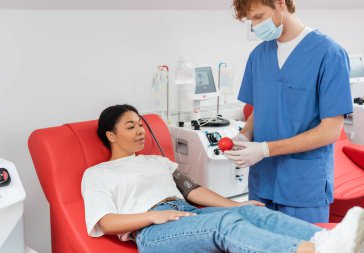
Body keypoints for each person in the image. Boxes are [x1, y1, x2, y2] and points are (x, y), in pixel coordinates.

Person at [81, 104, 364, 253]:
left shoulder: (157, 161)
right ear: (111, 135)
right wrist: (151, 217)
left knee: (255, 214)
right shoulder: (97, 174)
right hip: (152, 233)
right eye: (131, 126)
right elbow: (105, 222)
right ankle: (307, 251)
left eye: (141, 124)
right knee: (224, 223)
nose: (141, 131)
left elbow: (193, 190)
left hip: (186, 214)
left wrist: (237, 205)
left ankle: (336, 241)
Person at [224, 0, 353, 223]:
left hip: (303, 184)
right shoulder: (258, 56)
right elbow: (262, 108)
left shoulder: (329, 54)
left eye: (258, 17)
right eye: (250, 21)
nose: (255, 27)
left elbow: (329, 131)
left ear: (280, 3)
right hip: (262, 183)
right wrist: (244, 135)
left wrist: (264, 149)